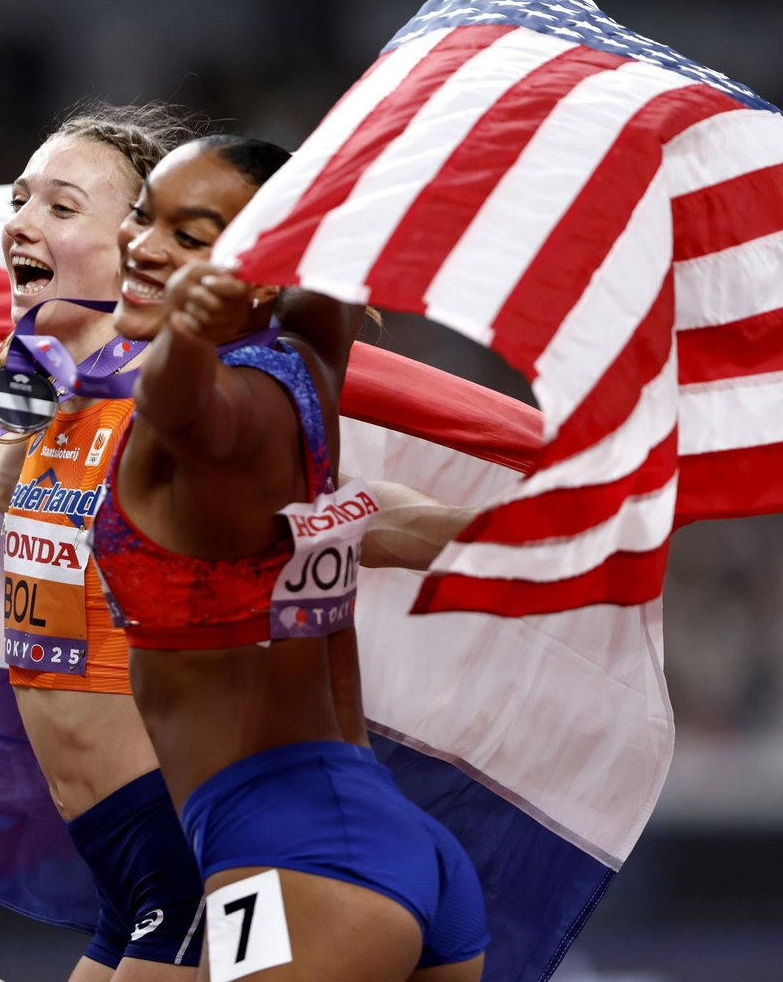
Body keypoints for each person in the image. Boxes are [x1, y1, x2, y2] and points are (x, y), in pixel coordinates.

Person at [90, 147, 491, 980]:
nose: (146, 246)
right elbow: (338, 250)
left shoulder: (216, 416)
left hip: (293, 861)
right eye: (146, 215)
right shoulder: (310, 357)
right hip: (376, 842)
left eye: (191, 237)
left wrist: (190, 335)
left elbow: (179, 404)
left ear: (263, 276)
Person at [0, 103, 211, 981]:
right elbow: (6, 488)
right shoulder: (64, 401)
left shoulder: (176, 403)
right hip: (120, 865)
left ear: (144, 247)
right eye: (20, 201)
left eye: (61, 208)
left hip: (188, 845)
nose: (18, 221)